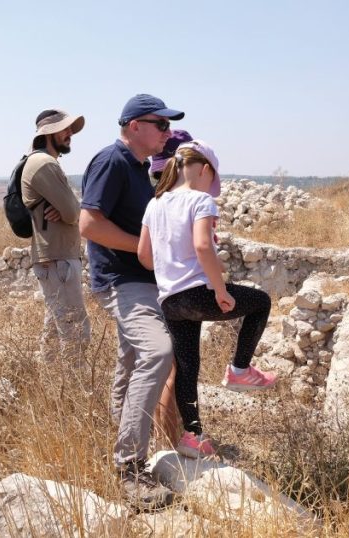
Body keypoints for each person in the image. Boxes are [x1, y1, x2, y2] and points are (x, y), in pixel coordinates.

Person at [137, 140, 277, 459]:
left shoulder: (155, 203)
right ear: (204, 170)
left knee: (188, 366)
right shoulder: (200, 201)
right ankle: (240, 369)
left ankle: (193, 436)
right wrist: (220, 290)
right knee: (262, 303)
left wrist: (170, 266)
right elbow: (203, 246)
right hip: (197, 293)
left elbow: (145, 255)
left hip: (169, 301)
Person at [79, 94, 184, 510]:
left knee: (130, 359)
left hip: (139, 279)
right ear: (135, 125)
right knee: (159, 351)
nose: (167, 133)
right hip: (123, 280)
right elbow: (89, 224)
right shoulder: (112, 161)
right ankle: (129, 467)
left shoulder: (139, 169)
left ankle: (121, 446)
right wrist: (147, 251)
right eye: (161, 125)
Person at [21, 109, 91, 361]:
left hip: (55, 256)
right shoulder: (44, 164)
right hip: (57, 258)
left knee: (54, 328)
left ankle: (50, 386)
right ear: (48, 132)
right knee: (75, 331)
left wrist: (68, 209)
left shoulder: (45, 162)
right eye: (65, 128)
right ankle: (74, 391)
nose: (70, 133)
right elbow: (73, 212)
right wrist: (70, 208)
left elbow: (70, 211)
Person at [147, 129, 194, 449]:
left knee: (168, 368)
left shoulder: (153, 191)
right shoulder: (178, 199)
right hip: (171, 291)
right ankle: (169, 446)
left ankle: (169, 440)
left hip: (153, 287)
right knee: (174, 369)